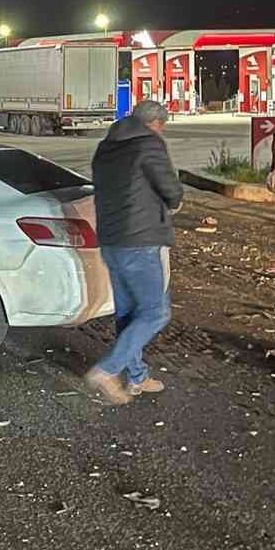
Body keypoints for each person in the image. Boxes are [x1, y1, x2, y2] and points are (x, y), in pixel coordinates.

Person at [84, 99, 183, 406]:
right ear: (155, 124)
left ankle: (137, 377)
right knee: (156, 312)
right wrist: (174, 202)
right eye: (161, 127)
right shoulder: (149, 144)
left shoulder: (106, 147)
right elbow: (170, 188)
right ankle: (107, 370)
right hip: (140, 241)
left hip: (112, 242)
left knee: (128, 314)